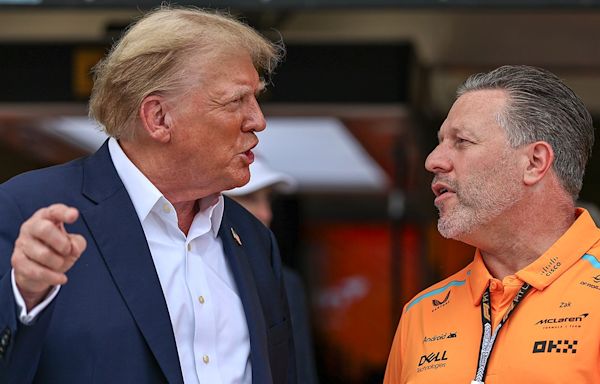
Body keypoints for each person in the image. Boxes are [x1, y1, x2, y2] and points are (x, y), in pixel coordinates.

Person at [0, 6, 295, 384]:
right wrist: (22, 294)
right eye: (236, 101)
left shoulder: (253, 240)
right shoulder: (26, 211)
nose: (258, 120)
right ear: (158, 118)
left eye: (255, 99)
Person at [384, 65, 600, 383]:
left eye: (462, 141)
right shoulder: (421, 313)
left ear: (535, 162)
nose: (433, 160)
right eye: (441, 141)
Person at [225, 154, 320, 384]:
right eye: (249, 197)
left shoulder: (286, 282)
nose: (266, 213)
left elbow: (300, 373)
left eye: (269, 199)